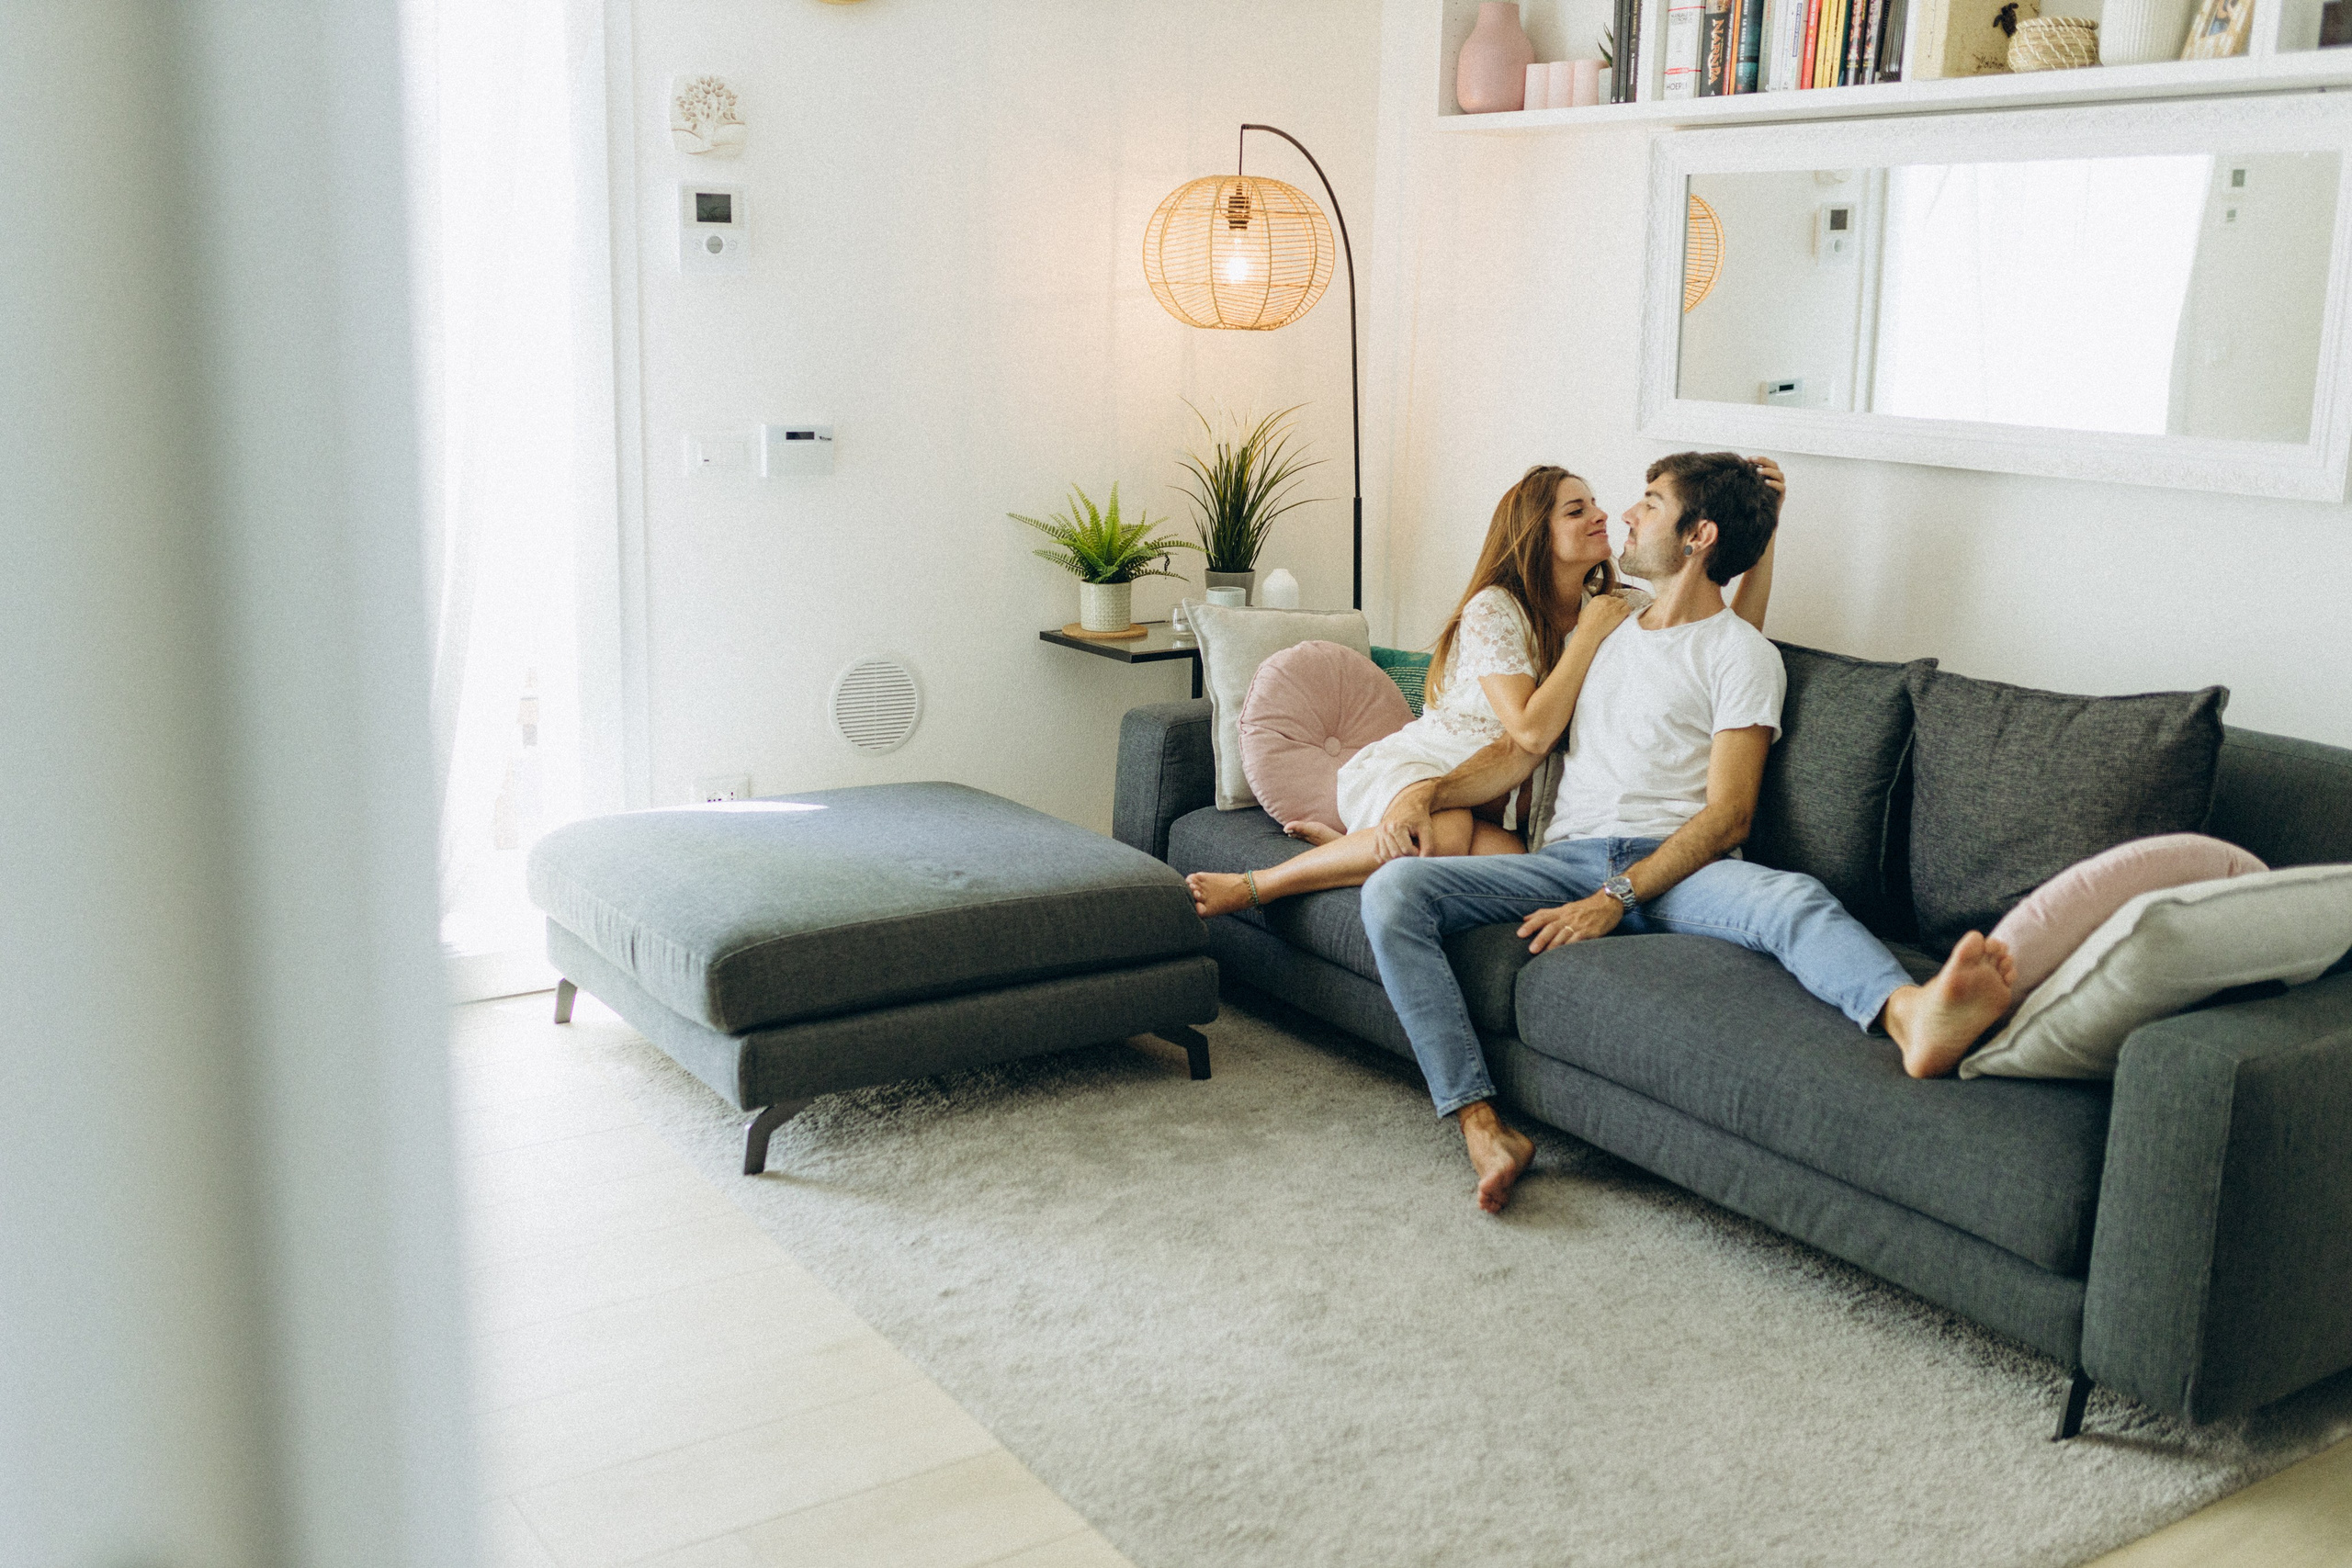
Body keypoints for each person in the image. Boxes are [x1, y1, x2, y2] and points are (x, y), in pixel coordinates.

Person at [1359, 452, 2015, 1215]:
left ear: (1698, 535)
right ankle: (1479, 1121)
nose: (1625, 517)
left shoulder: (1743, 655)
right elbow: (1517, 749)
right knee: (1394, 891)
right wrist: (1424, 792)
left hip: (1677, 872)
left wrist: (1618, 895)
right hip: (1564, 859)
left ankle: (1911, 1015)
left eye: (1648, 503)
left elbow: (1730, 814)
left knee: (1792, 899)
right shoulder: (1602, 629)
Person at [1185, 460, 1782, 919]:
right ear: (1536, 534)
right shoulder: (1497, 608)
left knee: (1513, 872)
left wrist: (1764, 539)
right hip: (1430, 768)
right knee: (1436, 834)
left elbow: (1725, 633)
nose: (1602, 514)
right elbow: (1528, 730)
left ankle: (1351, 849)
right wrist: (1587, 636)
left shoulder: (1621, 606)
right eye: (1576, 511)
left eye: (1595, 503)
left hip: (1501, 799)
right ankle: (1258, 884)